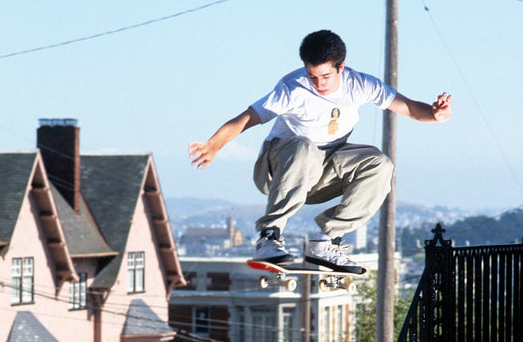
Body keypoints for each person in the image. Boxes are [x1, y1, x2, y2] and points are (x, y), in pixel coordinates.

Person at [189, 30, 452, 274]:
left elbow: (408, 108)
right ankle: (269, 237)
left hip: (320, 175)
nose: (319, 84)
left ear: (341, 66)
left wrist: (435, 114)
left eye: (325, 76)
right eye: (313, 76)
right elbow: (248, 117)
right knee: (305, 147)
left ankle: (325, 242)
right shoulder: (293, 88)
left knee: (380, 164)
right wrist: (214, 145)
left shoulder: (361, 84)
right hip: (278, 168)